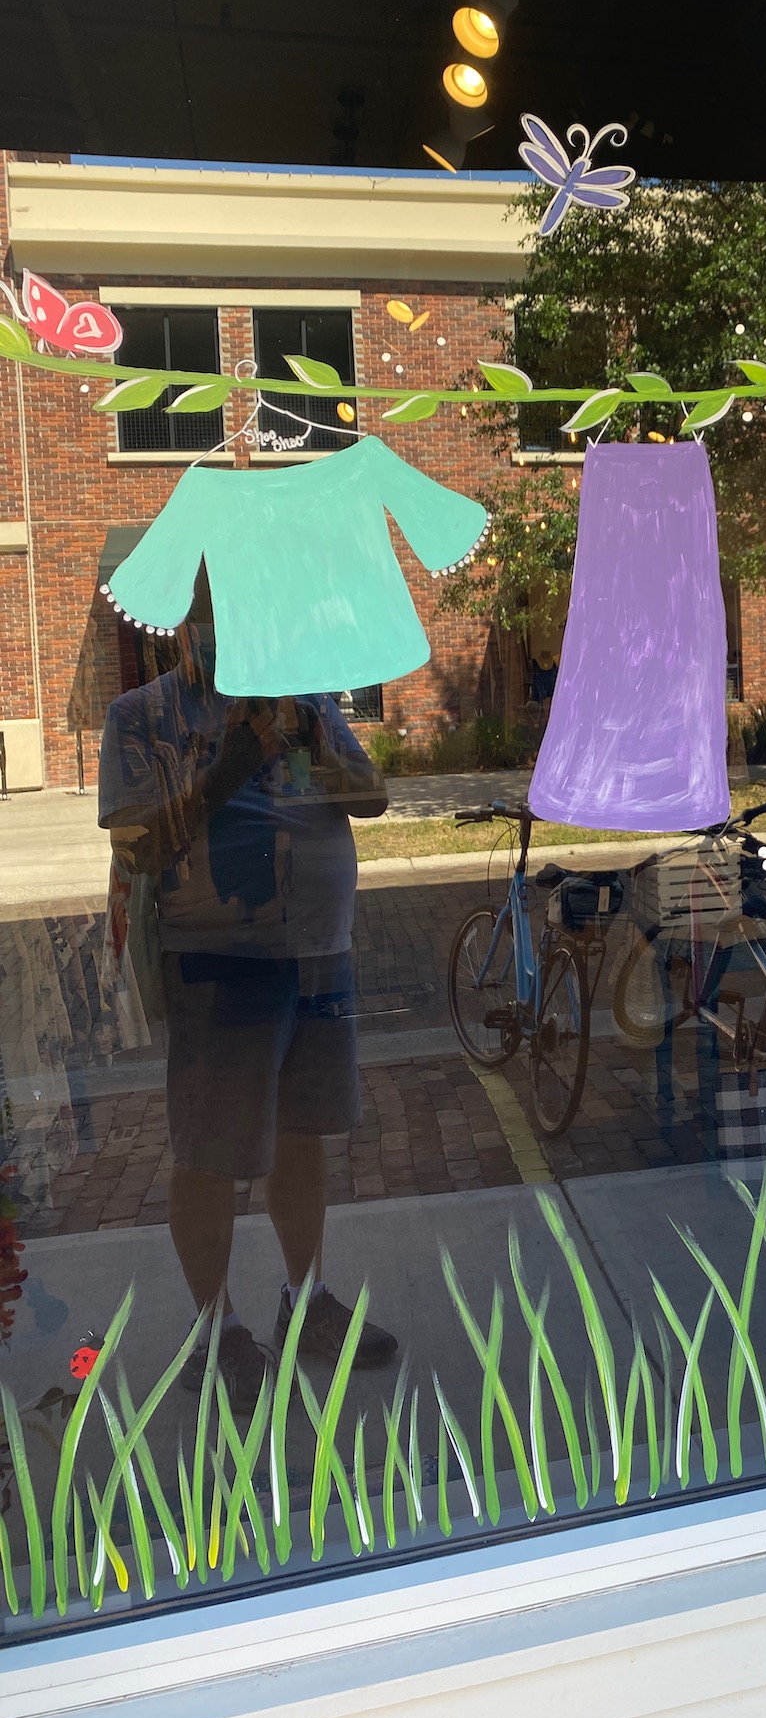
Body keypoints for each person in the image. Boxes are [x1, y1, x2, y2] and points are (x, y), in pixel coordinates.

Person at [99, 567, 397, 1409]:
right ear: (182, 623)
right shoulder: (142, 716)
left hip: (318, 952)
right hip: (218, 962)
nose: (229, 628)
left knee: (302, 1133)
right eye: (212, 612)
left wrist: (312, 739)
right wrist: (231, 765)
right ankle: (216, 1330)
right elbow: (137, 846)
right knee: (211, 1154)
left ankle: (306, 1301)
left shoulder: (303, 699)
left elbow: (374, 799)